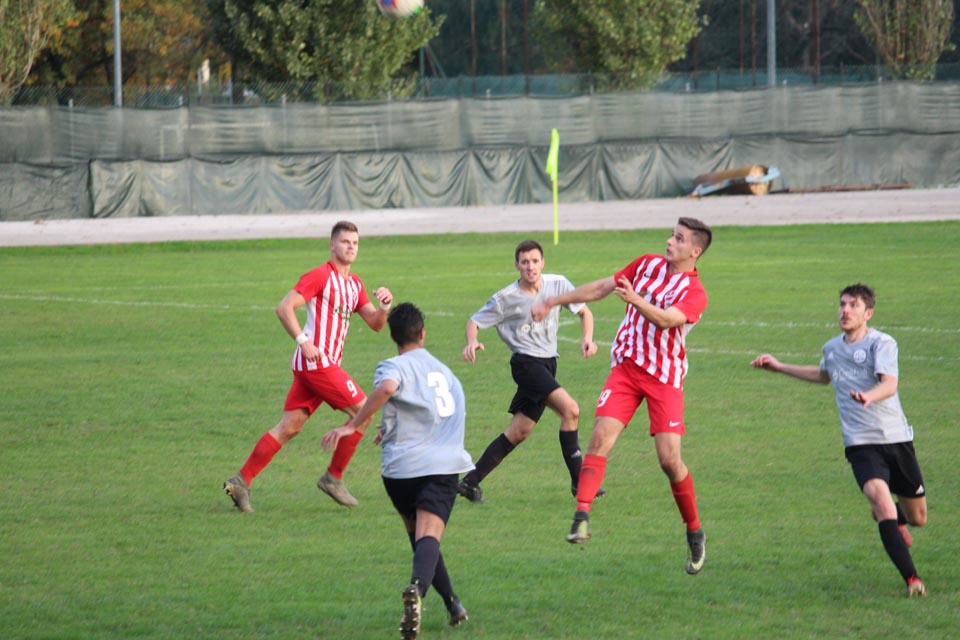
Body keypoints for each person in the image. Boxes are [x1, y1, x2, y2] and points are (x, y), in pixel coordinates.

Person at [531, 217, 712, 575]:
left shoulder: (695, 293)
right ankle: (581, 517)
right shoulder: (646, 264)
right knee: (600, 437)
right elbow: (602, 287)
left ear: (695, 251)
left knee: (669, 460)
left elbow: (666, 320)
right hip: (627, 369)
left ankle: (694, 531)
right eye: (671, 235)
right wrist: (554, 300)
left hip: (664, 378)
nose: (669, 241)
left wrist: (636, 300)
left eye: (678, 239)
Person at [749, 283, 928, 597]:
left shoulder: (881, 343)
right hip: (860, 443)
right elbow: (823, 375)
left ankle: (896, 518)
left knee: (918, 518)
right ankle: (912, 580)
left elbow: (890, 384)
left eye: (853, 305)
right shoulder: (832, 348)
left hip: (896, 439)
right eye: (843, 304)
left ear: (868, 313)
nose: (845, 310)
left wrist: (869, 396)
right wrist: (779, 367)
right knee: (882, 502)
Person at [322, 302, 474, 639]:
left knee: (421, 538)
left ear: (392, 336)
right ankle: (417, 590)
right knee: (429, 536)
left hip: (400, 472)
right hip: (440, 467)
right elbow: (399, 394)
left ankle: (453, 604)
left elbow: (392, 390)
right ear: (422, 333)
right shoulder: (446, 374)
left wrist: (363, 425)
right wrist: (355, 424)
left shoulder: (391, 364)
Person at [223, 220, 393, 512]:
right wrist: (303, 340)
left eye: (355, 243)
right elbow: (284, 307)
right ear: (332, 245)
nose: (351, 247)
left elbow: (376, 324)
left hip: (318, 366)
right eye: (345, 242)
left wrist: (385, 306)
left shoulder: (355, 285)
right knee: (364, 412)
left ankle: (240, 482)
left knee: (289, 427)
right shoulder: (320, 276)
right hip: (317, 364)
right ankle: (333, 478)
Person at [458, 239, 600, 503]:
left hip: (547, 364)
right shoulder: (505, 298)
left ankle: (469, 482)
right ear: (517, 265)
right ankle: (579, 482)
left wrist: (587, 339)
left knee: (519, 432)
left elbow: (585, 312)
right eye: (524, 262)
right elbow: (474, 322)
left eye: (535, 261)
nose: (530, 267)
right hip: (526, 365)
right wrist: (472, 341)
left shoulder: (558, 284)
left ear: (543, 263)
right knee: (571, 410)